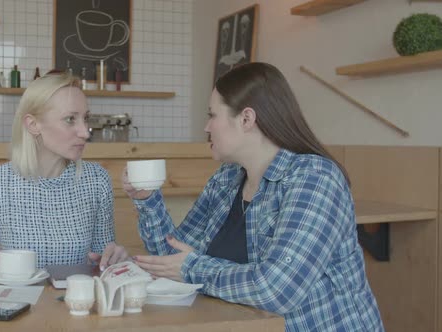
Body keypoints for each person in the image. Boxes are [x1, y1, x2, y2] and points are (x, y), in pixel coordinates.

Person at [124, 63, 384, 331]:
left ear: (246, 119)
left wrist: (194, 268)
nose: (206, 126)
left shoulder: (314, 178)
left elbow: (278, 289)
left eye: (212, 115)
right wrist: (147, 200)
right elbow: (173, 259)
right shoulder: (226, 179)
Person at [0, 72, 128, 279]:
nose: (85, 132)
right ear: (33, 124)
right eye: (70, 119)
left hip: (76, 306)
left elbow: (101, 261)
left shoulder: (97, 180)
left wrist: (113, 261)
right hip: (15, 306)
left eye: (85, 118)